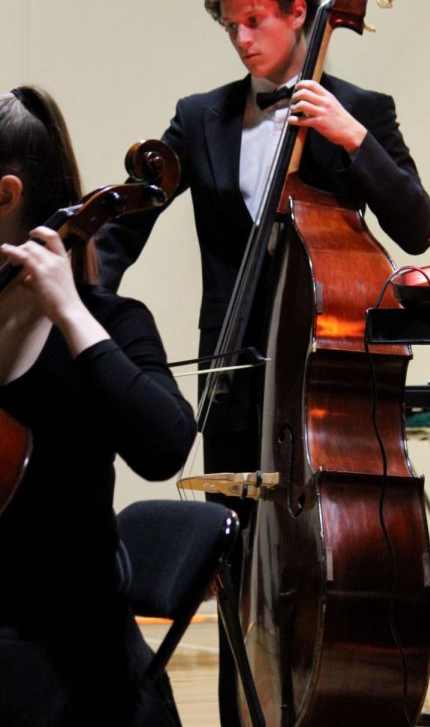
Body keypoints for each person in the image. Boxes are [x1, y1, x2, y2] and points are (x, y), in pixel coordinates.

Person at [95, 0, 430, 725]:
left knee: (322, 569)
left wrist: (349, 136)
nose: (243, 39)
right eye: (229, 27)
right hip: (237, 377)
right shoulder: (200, 117)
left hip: (323, 382)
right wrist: (85, 294)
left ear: (299, 14)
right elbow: (125, 227)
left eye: (255, 21)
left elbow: (417, 227)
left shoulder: (363, 110)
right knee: (240, 575)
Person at [0, 86, 197, 726]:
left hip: (77, 666)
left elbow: (164, 446)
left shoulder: (112, 323)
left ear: (5, 195)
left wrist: (71, 312)